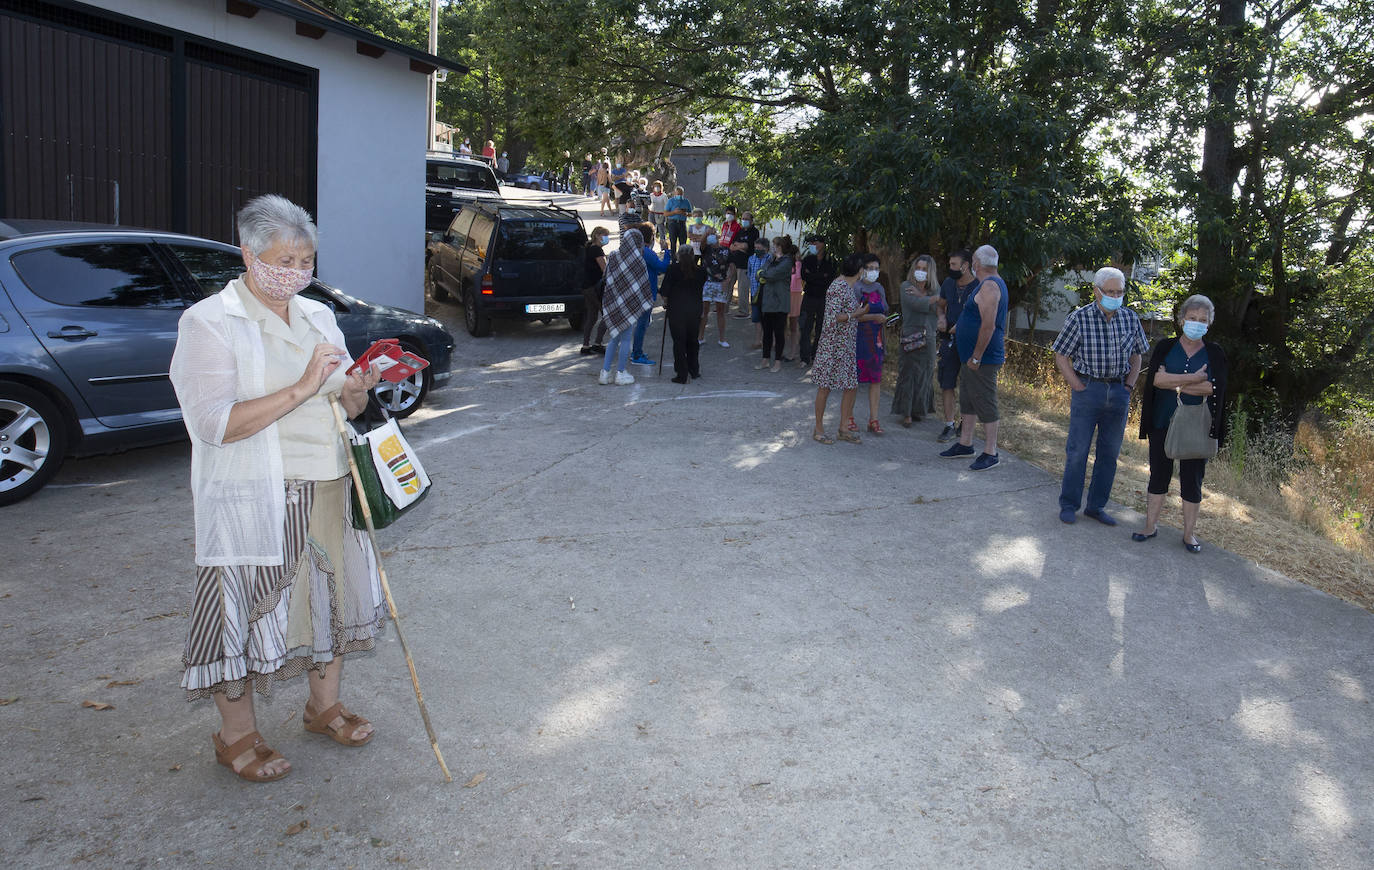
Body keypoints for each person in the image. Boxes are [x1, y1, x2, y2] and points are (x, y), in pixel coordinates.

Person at [169, 194, 385, 783]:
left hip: (331, 479)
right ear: (247, 252)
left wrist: (358, 387)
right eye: (281, 260)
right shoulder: (210, 321)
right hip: (254, 491)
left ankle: (324, 707)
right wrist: (304, 384)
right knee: (239, 606)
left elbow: (344, 397)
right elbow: (214, 423)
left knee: (330, 599)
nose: (293, 272)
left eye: (305, 260)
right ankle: (236, 736)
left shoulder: (317, 314)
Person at [1051, 266, 1149, 526]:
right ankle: (1069, 504)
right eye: (1110, 292)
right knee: (1078, 450)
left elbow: (1137, 355)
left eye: (1120, 292)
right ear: (1097, 291)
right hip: (1088, 390)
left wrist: (1129, 384)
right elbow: (1061, 355)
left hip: (1118, 392)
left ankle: (1096, 506)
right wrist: (1077, 385)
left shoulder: (1130, 318)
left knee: (1109, 453)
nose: (1115, 296)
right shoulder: (1079, 318)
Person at [1134, 295, 1229, 553]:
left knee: (1192, 480)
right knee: (1158, 476)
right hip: (1161, 421)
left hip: (1197, 426)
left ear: (1209, 323)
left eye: (1202, 320)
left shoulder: (1215, 353)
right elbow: (1156, 381)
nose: (1196, 324)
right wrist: (1193, 378)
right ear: (1181, 319)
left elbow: (1213, 388)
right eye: (1192, 318)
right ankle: (1149, 526)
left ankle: (1189, 535)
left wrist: (1174, 380)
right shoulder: (1165, 347)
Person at [939, 244, 1008, 471]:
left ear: (976, 264)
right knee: (968, 399)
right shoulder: (986, 284)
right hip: (970, 356)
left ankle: (991, 451)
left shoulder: (989, 286)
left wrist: (977, 357)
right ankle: (965, 443)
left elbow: (988, 326)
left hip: (983, 359)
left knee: (985, 401)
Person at [811, 253, 883, 444]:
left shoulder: (850, 286)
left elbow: (852, 315)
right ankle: (818, 429)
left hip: (847, 346)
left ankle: (843, 428)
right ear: (859, 270)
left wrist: (869, 316)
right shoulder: (838, 286)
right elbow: (835, 317)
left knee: (851, 386)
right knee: (825, 387)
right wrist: (856, 313)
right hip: (833, 345)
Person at [598, 229, 652, 385]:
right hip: (630, 305)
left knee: (613, 338)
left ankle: (605, 372)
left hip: (614, 303)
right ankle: (621, 373)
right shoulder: (638, 260)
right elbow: (643, 284)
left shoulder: (613, 255)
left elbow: (606, 276)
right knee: (626, 339)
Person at [892, 255, 940, 427]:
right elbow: (916, 305)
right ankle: (906, 413)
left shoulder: (935, 289)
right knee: (908, 374)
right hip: (910, 336)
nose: (920, 272)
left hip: (929, 337)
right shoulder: (906, 286)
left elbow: (940, 307)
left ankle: (919, 410)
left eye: (924, 269)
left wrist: (926, 297)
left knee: (925, 374)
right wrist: (930, 299)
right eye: (918, 268)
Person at [935, 249, 977, 442]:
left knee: (969, 385)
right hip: (948, 341)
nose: (950, 268)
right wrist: (942, 318)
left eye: (953, 265)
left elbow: (985, 316)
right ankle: (949, 424)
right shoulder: (948, 283)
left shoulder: (979, 286)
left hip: (970, 342)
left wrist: (963, 326)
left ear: (966, 266)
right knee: (947, 382)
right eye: (949, 264)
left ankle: (965, 425)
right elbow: (940, 305)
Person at [853, 253, 889, 434]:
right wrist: (873, 317)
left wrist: (884, 319)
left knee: (875, 380)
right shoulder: (855, 287)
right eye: (870, 268)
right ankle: (848, 417)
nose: (873, 272)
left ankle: (873, 419)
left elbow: (884, 309)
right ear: (862, 269)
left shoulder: (880, 288)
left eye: (876, 268)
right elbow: (850, 316)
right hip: (857, 339)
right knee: (853, 381)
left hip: (876, 341)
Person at [661, 244, 705, 383]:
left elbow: (665, 291)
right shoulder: (701, 271)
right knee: (693, 341)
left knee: (679, 342)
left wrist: (666, 302)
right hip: (694, 310)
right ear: (693, 256)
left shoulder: (672, 269)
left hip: (677, 310)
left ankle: (682, 373)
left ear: (678, 255)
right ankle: (694, 369)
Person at [754, 236, 796, 373]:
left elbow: (771, 274)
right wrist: (763, 273)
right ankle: (765, 359)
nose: (773, 248)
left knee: (779, 333)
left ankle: (777, 361)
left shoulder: (787, 261)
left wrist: (763, 274)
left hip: (780, 303)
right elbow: (758, 273)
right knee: (767, 333)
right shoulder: (772, 259)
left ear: (781, 247)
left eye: (775, 245)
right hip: (768, 301)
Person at [631, 223, 670, 366]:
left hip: (638, 291)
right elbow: (663, 267)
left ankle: (637, 350)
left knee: (641, 323)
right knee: (642, 324)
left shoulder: (636, 250)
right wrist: (667, 252)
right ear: (650, 237)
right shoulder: (647, 252)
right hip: (646, 293)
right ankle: (636, 353)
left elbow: (655, 270)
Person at [799, 236, 836, 366]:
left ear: (822, 244)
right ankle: (804, 357)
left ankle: (816, 356)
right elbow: (804, 275)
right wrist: (820, 277)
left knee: (821, 328)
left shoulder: (830, 260)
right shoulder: (808, 259)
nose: (813, 245)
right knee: (805, 327)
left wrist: (813, 276)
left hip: (824, 298)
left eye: (815, 243)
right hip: (809, 296)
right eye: (811, 243)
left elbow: (830, 278)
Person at [579, 226, 611, 355]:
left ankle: (586, 345)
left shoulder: (588, 248)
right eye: (605, 235)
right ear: (598, 235)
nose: (606, 238)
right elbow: (605, 270)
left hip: (586, 286)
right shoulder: (597, 250)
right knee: (607, 315)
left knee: (592, 316)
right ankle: (597, 343)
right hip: (594, 288)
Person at [697, 231, 732, 347]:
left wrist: (727, 281)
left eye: (714, 236)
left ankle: (722, 339)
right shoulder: (706, 249)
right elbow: (701, 243)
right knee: (704, 310)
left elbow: (732, 266)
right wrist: (706, 233)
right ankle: (700, 337)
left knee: (720, 311)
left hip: (721, 284)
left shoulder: (726, 250)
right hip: (707, 283)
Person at [746, 238, 770, 348]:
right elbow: (749, 274)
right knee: (756, 318)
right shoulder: (751, 259)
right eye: (755, 248)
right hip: (755, 293)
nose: (756, 250)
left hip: (767, 294)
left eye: (759, 248)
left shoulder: (771, 259)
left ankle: (770, 341)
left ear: (766, 248)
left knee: (768, 318)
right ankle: (757, 340)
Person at [785, 253, 804, 361]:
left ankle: (794, 350)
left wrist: (798, 262)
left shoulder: (798, 266)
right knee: (784, 324)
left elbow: (799, 277)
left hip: (796, 295)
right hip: (787, 295)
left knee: (794, 324)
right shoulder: (787, 267)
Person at [665, 186, 691, 255]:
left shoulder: (686, 201)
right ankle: (673, 259)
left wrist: (685, 213)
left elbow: (691, 213)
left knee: (683, 242)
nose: (679, 196)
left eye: (681, 194)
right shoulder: (671, 201)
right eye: (678, 194)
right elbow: (665, 213)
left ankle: (682, 259)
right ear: (675, 194)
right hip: (672, 223)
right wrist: (674, 212)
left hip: (682, 223)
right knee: (673, 242)